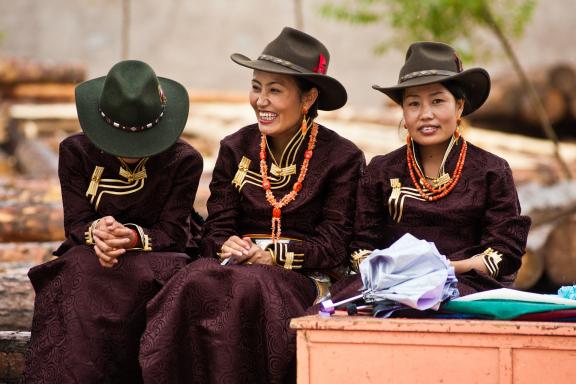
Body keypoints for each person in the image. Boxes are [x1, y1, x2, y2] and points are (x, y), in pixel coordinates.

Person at [139, 27, 365, 383]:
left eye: (275, 90)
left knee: (245, 290)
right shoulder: (236, 147)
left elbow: (335, 244)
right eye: (256, 87)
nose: (261, 100)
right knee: (190, 282)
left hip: (300, 278)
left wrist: (274, 255)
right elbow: (215, 231)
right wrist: (225, 244)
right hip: (235, 266)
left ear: (307, 99)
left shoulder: (342, 157)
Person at [21, 60, 203, 383]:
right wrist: (99, 232)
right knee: (74, 273)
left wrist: (131, 238)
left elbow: (174, 232)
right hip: (92, 252)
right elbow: (76, 221)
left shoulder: (184, 161)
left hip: (160, 253)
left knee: (171, 281)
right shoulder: (75, 153)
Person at [332, 41, 531, 303]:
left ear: (459, 106)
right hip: (388, 285)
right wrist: (397, 270)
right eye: (414, 104)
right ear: (403, 111)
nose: (426, 114)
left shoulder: (492, 171)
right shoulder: (381, 170)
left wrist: (448, 268)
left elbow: (504, 252)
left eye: (437, 101)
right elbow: (360, 247)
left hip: (464, 285)